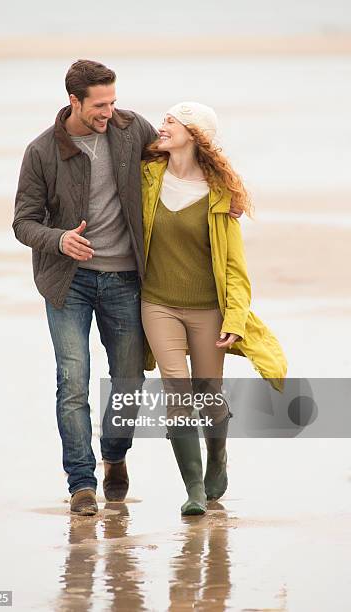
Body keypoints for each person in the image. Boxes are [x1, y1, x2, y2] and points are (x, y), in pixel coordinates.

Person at [13, 60, 242, 517]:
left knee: (130, 382)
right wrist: (59, 239)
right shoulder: (42, 151)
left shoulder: (131, 128)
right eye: (100, 105)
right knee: (73, 383)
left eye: (113, 101)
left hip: (126, 280)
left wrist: (225, 192)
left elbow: (185, 156)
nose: (109, 112)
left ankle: (114, 454)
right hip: (68, 282)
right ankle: (82, 482)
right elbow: (23, 222)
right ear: (74, 101)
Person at [141, 102, 287, 516]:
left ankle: (217, 456)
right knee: (176, 388)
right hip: (157, 303)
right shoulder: (146, 177)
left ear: (194, 133)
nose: (162, 124)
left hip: (208, 309)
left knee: (208, 392)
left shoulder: (220, 194)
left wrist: (236, 320)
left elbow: (235, 270)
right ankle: (194, 492)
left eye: (172, 120)